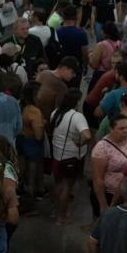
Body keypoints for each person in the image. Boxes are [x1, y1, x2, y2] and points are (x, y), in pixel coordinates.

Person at [46, 88, 91, 223]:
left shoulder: (56, 113)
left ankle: (55, 211)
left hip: (57, 154)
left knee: (58, 184)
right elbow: (87, 136)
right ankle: (62, 216)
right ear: (77, 101)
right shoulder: (77, 117)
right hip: (70, 157)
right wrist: (80, 143)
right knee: (67, 187)